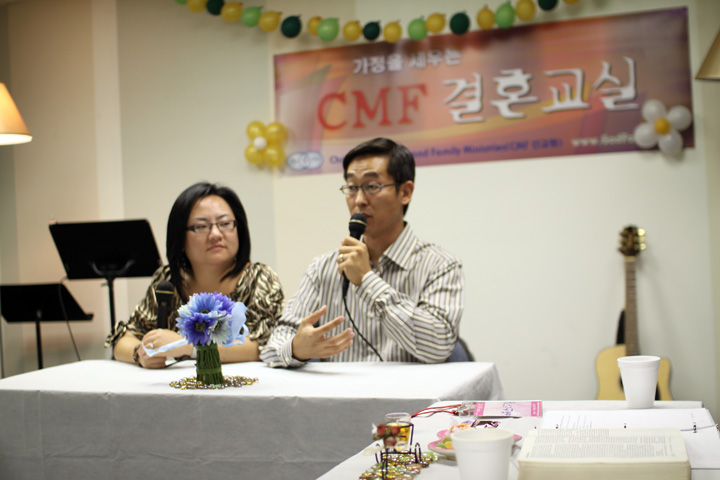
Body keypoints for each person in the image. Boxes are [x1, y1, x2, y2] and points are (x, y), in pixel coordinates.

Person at [260, 137, 463, 368]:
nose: (358, 200)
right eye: (352, 187)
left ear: (405, 192)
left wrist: (367, 280)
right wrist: (296, 349)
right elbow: (274, 346)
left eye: (372, 186)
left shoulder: (440, 265)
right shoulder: (323, 268)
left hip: (412, 392)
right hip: (339, 392)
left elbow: (438, 347)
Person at [105, 182, 284, 368]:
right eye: (201, 226)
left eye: (225, 224)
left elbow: (263, 345)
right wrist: (140, 353)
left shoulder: (259, 279)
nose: (215, 234)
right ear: (180, 238)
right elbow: (123, 338)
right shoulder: (168, 281)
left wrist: (188, 346)